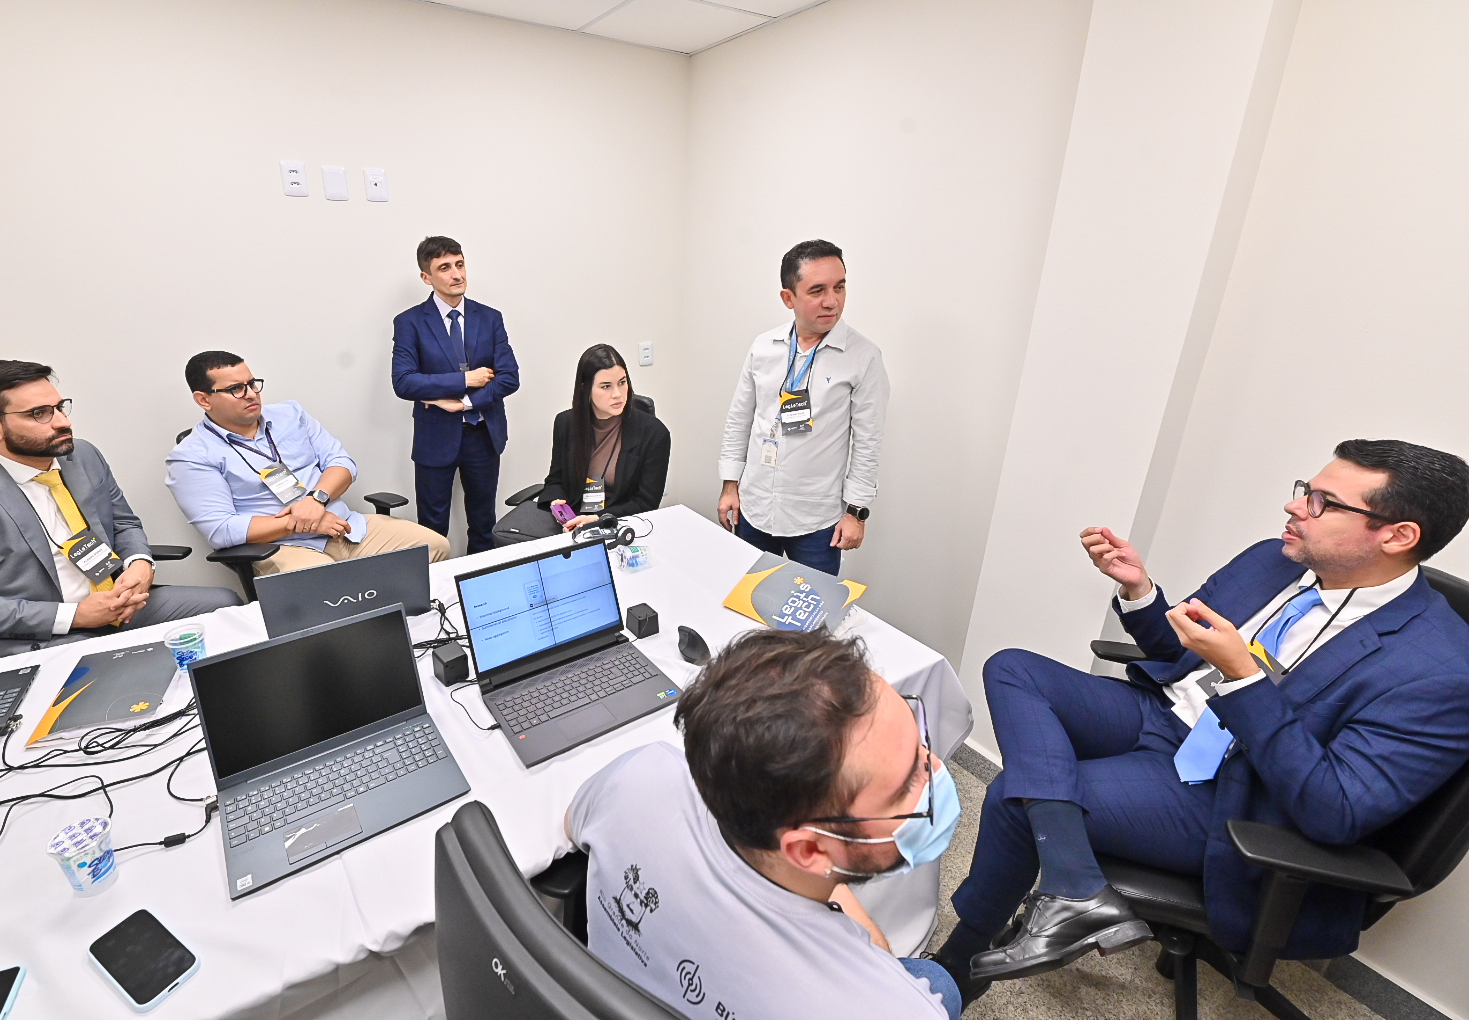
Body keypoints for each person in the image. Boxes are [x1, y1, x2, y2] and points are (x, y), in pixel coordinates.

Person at [931, 440, 1469, 1003]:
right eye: (1304, 491)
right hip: (1165, 715)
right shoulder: (1272, 560)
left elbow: (1335, 809)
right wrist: (1140, 591)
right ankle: (1076, 885)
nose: (1294, 507)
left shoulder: (1440, 671)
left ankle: (957, 968)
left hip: (1233, 789)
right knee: (1013, 667)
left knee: (1017, 798)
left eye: (1322, 502)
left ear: (1397, 536)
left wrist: (1245, 678)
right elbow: (1181, 651)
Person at [567, 629, 963, 1020]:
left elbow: (573, 822)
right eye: (906, 785)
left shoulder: (638, 774)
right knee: (939, 983)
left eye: (920, 742)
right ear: (809, 850)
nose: (936, 767)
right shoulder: (893, 1009)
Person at [0, 361, 240, 655]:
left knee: (225, 609)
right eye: (39, 414)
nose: (63, 422)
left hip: (116, 607)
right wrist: (75, 616)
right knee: (106, 665)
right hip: (32, 634)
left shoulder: (81, 455)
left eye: (60, 407)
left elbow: (123, 523)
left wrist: (139, 564)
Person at [166, 352, 449, 575]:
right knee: (325, 585)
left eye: (252, 384)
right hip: (282, 546)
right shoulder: (191, 455)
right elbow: (221, 529)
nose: (251, 393)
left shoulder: (290, 414)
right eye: (236, 389)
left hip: (344, 526)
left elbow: (342, 462)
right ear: (203, 399)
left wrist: (316, 500)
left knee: (435, 546)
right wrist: (301, 522)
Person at [717, 239, 889, 577]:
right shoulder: (764, 347)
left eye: (839, 287)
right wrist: (729, 484)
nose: (832, 301)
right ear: (788, 298)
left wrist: (856, 512)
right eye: (817, 290)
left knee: (809, 608)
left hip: (816, 521)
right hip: (754, 506)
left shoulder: (863, 357)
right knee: (747, 600)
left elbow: (868, 442)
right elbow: (740, 418)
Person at [391, 236, 520, 554]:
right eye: (445, 268)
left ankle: (482, 583)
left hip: (483, 436)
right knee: (432, 529)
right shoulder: (409, 323)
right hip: (435, 439)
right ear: (426, 277)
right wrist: (466, 379)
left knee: (484, 524)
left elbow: (509, 377)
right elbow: (404, 382)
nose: (457, 274)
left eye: (460, 264)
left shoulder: (489, 318)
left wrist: (464, 403)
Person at [536, 344, 671, 534]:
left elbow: (646, 502)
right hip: (572, 521)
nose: (617, 394)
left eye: (622, 382)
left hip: (621, 524)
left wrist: (597, 519)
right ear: (585, 388)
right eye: (606, 386)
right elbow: (556, 479)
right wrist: (557, 503)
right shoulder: (565, 423)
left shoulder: (655, 433)